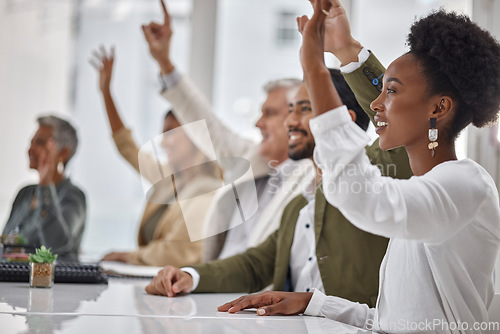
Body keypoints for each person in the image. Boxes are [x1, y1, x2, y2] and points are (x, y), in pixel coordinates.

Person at [218, 1, 500, 332]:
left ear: (438, 107)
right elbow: (394, 322)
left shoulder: (466, 184)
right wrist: (316, 302)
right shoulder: (425, 192)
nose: (376, 104)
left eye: (391, 91)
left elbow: (366, 198)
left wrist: (315, 70)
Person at [144, 68, 412, 307]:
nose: (289, 121)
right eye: (291, 109)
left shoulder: (374, 186)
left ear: (346, 120)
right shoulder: (299, 205)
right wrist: (189, 276)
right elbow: (255, 264)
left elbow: (396, 116)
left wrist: (350, 53)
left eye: (304, 109)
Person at [141, 0, 315, 262]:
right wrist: (165, 63)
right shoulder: (253, 158)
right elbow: (206, 125)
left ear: (298, 117)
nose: (258, 123)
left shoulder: (312, 178)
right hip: (214, 290)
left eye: (269, 113)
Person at [90, 47, 221, 267]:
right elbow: (127, 147)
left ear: (195, 136)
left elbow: (180, 252)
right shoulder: (169, 179)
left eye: (171, 133)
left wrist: (130, 256)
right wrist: (106, 92)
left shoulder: (210, 189)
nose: (163, 142)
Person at [2, 115, 86, 262]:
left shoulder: (73, 196)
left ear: (63, 153)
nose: (30, 149)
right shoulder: (25, 193)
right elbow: (5, 245)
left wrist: (45, 186)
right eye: (31, 142)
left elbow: (57, 245)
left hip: (51, 283)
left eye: (39, 142)